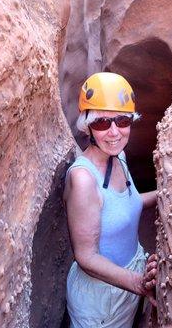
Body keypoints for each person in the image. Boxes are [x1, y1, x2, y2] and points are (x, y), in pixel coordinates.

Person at [64, 72, 158, 327]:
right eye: (103, 122)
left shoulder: (119, 156)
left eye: (122, 120)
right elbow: (86, 257)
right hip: (99, 301)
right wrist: (137, 283)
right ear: (88, 126)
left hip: (129, 276)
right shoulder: (84, 180)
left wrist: (168, 194)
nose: (114, 132)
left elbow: (131, 202)